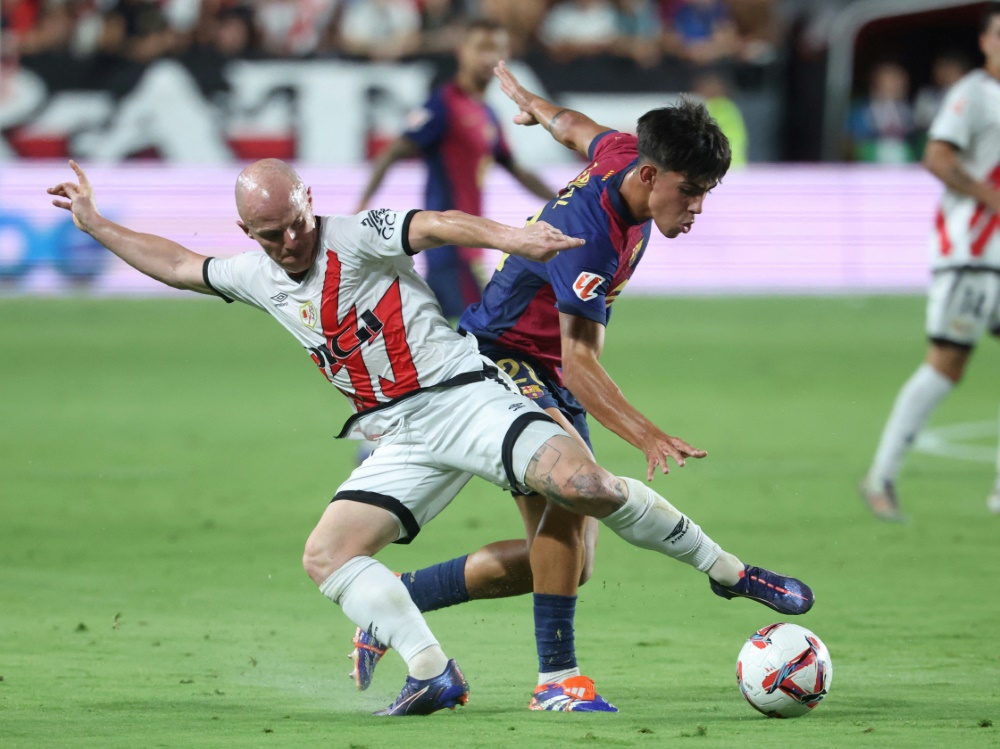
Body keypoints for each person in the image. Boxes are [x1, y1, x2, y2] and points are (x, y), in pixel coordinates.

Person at [48, 157, 813, 716]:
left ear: (313, 202)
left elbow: (435, 224)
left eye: (296, 225)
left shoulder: (356, 234)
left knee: (584, 487)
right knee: (326, 555)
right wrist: (94, 223)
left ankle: (727, 569)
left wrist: (514, 235)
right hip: (401, 434)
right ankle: (431, 671)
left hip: (464, 395)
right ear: (248, 232)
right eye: (270, 235)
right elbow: (181, 264)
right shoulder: (257, 273)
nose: (289, 243)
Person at [350, 62, 815, 712]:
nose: (699, 207)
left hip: (539, 368)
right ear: (651, 177)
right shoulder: (589, 237)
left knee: (566, 560)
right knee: (578, 494)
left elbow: (577, 128)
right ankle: (561, 679)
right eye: (691, 191)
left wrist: (530, 102)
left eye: (708, 191)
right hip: (498, 359)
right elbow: (580, 364)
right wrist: (645, 432)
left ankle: (395, 601)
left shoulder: (628, 156)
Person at [860, 3, 1000, 521]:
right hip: (971, 253)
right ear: (986, 42)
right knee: (946, 365)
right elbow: (937, 157)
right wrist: (990, 197)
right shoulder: (972, 95)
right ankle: (881, 475)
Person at [355, 18, 554, 319]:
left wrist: (563, 199)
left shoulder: (487, 113)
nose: (490, 58)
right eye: (482, 48)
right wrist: (363, 204)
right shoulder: (443, 104)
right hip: (449, 245)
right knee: (486, 330)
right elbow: (392, 152)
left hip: (467, 245)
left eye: (498, 50)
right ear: (462, 52)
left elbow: (517, 169)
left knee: (454, 332)